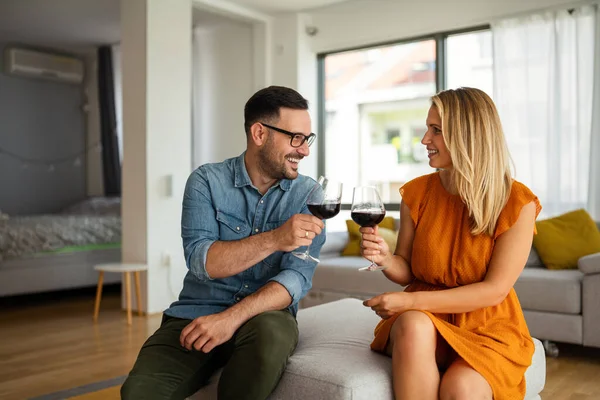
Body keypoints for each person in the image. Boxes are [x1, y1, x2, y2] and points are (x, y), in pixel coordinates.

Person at [121, 86, 326, 400]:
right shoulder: (206, 181)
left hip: (265, 318)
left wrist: (230, 320)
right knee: (138, 394)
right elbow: (203, 262)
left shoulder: (308, 195)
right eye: (295, 138)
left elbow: (296, 278)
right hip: (194, 312)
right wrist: (276, 238)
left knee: (271, 334)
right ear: (259, 133)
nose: (304, 150)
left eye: (307, 139)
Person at [359, 87, 541, 400]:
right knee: (414, 324)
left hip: (487, 324)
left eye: (437, 131)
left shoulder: (517, 202)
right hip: (424, 321)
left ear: (468, 136)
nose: (424, 140)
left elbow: (494, 290)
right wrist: (387, 259)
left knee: (462, 387)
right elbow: (408, 271)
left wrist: (409, 302)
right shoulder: (416, 193)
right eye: (427, 128)